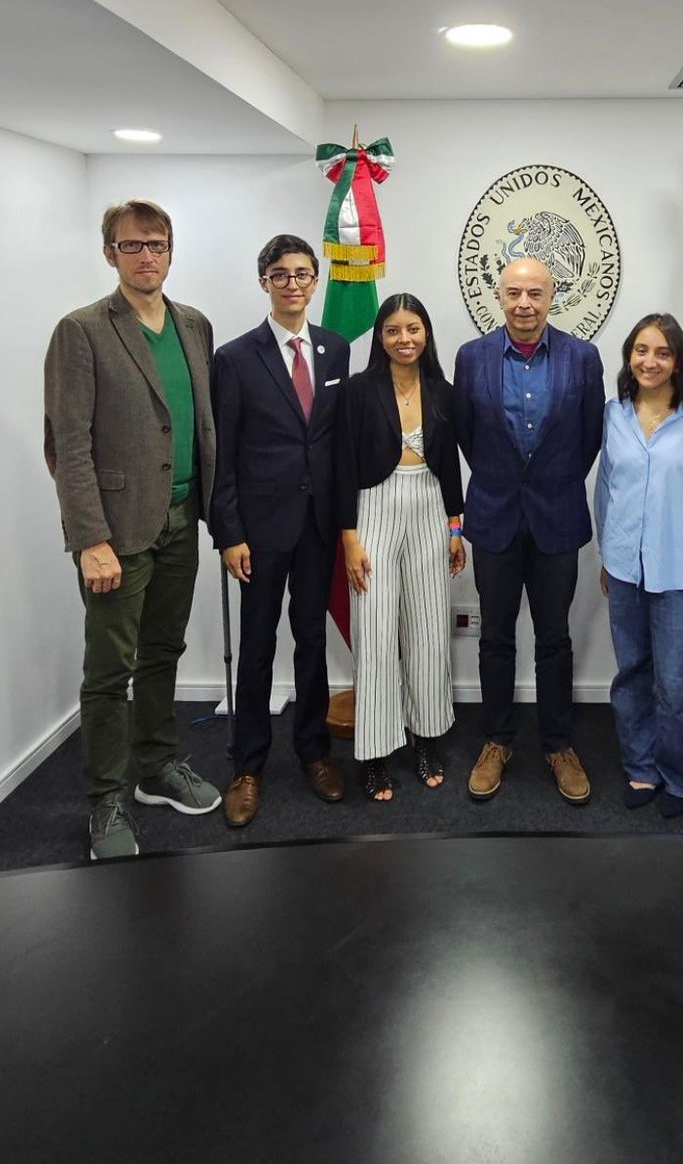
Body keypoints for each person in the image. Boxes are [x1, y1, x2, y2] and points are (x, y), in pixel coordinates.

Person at [44, 199, 221, 859]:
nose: (147, 256)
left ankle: (157, 768)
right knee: (108, 671)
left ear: (172, 250)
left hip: (181, 519)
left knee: (162, 652)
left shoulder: (193, 325)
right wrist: (90, 538)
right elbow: (68, 443)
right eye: (132, 245)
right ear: (109, 253)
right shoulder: (83, 330)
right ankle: (105, 805)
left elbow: (201, 428)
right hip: (115, 532)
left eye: (158, 243)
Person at [210, 234, 351, 828]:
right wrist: (229, 533)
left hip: (318, 525)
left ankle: (314, 751)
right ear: (263, 281)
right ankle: (248, 765)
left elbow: (334, 441)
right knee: (259, 649)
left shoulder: (336, 348)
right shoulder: (236, 358)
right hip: (260, 531)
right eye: (280, 274)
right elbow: (223, 453)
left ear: (316, 280)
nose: (293, 283)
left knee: (313, 644)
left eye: (302, 273)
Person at [453, 258, 605, 804]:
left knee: (554, 638)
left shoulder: (583, 358)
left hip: (556, 516)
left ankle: (558, 743)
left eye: (535, 293)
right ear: (499, 295)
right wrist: (505, 480)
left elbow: (590, 439)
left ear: (552, 296)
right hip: (494, 516)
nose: (524, 303)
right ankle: (497, 740)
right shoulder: (471, 358)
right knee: (494, 636)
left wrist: (548, 481)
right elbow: (467, 437)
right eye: (514, 292)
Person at [335, 295, 465, 801]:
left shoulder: (442, 391)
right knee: (375, 632)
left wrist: (456, 526)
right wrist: (349, 537)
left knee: (430, 630)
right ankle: (374, 753)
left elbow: (451, 464)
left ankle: (426, 738)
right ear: (380, 336)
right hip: (374, 510)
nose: (404, 339)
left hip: (431, 506)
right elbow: (342, 464)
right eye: (393, 330)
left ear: (426, 333)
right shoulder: (357, 391)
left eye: (413, 328)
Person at [595, 314, 683, 817]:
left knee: (676, 681)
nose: (650, 361)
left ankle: (682, 779)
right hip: (625, 565)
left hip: (678, 570)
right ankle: (642, 769)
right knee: (631, 672)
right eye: (641, 350)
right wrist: (609, 554)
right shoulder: (614, 414)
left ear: (678, 361)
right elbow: (605, 487)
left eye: (663, 352)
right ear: (629, 356)